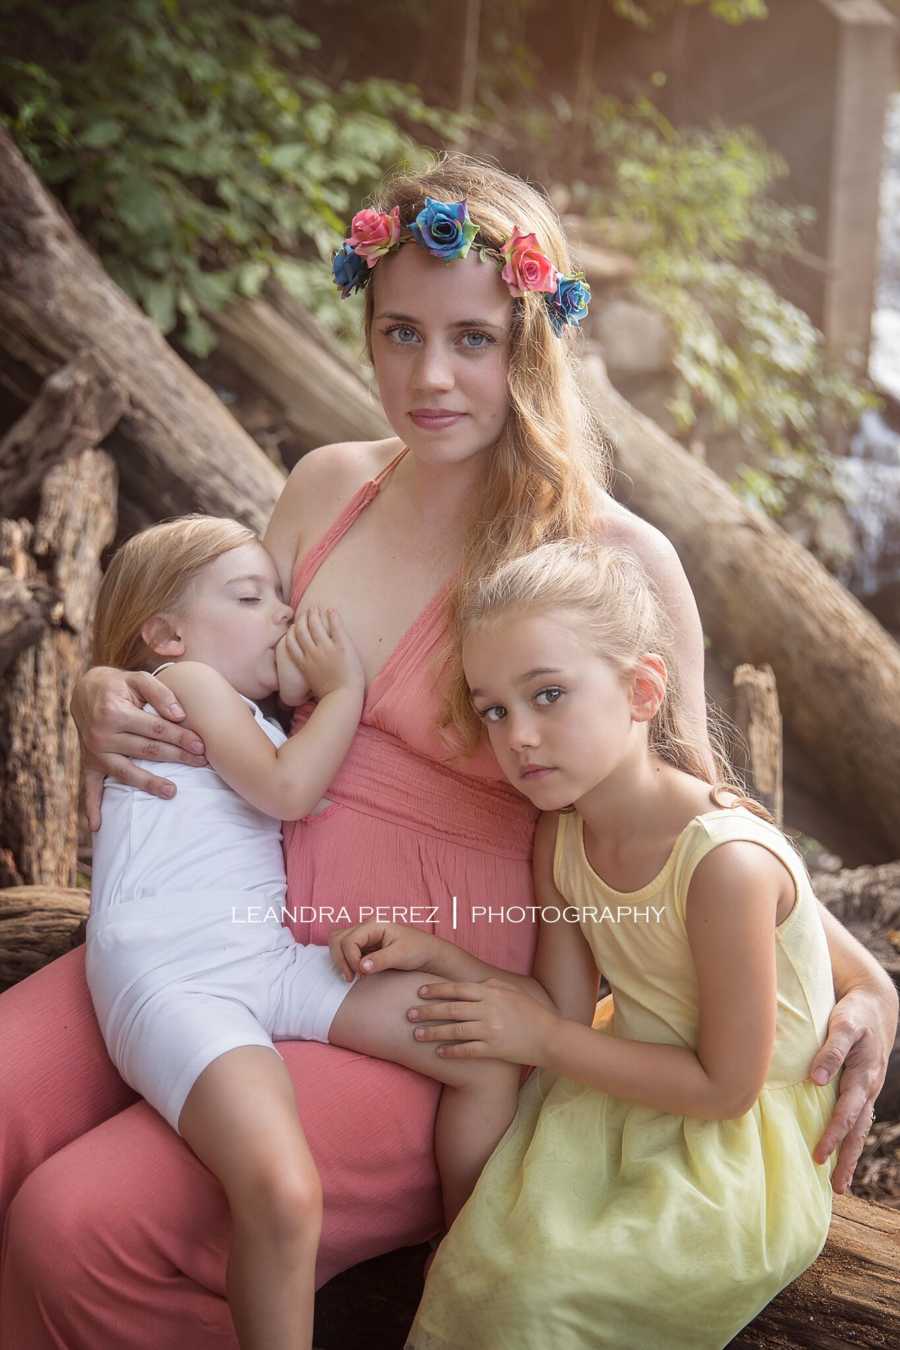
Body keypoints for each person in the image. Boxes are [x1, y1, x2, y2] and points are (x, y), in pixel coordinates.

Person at [0, 153, 895, 1349]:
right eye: (400, 333)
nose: (430, 376)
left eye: (473, 340)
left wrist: (867, 978)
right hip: (226, 922)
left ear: (535, 345)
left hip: (435, 1004)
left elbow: (695, 808)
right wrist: (102, 692)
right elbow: (224, 675)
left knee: (82, 1223)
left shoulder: (614, 565)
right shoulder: (326, 489)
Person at [330, 539, 843, 1348]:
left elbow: (725, 1088)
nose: (519, 737)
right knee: (478, 1259)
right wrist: (438, 954)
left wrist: (544, 1039)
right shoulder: (560, 837)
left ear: (641, 690)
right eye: (495, 709)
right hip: (621, 1086)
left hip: (737, 1144)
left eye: (549, 695)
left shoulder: (724, 865)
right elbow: (558, 1006)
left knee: (539, 1296)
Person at [84, 513, 521, 1349]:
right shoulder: (190, 684)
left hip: (264, 959)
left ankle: (465, 1262)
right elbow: (287, 792)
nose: (283, 614)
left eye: (280, 594)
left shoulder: (239, 712)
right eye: (250, 597)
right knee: (284, 1193)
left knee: (483, 1049)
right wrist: (347, 689)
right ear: (167, 632)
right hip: (179, 976)